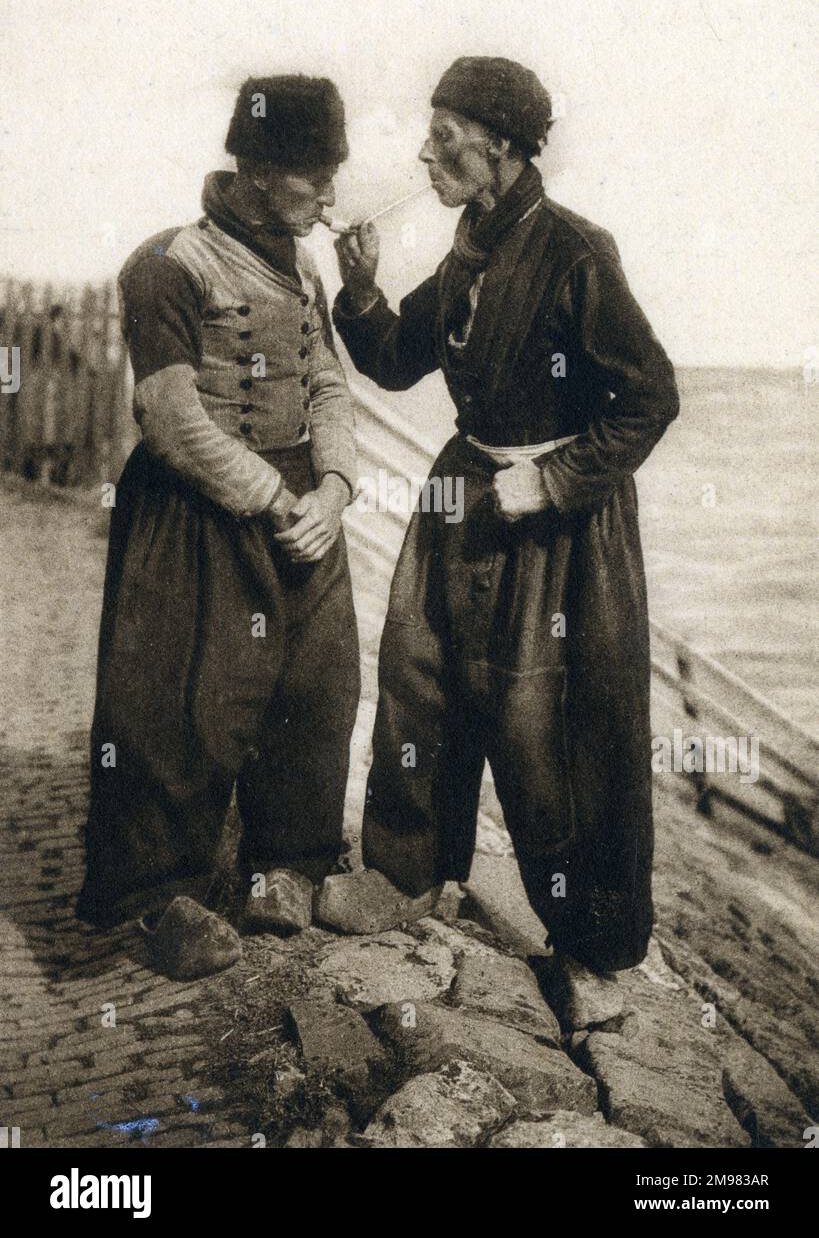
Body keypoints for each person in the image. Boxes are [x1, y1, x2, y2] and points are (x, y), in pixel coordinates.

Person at [332, 56, 679, 974]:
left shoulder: (575, 252)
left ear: (501, 149)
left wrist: (555, 480)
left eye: (444, 141)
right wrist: (361, 291)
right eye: (430, 136)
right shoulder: (471, 246)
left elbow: (649, 399)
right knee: (416, 673)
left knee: (548, 725)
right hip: (462, 496)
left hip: (555, 528)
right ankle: (404, 877)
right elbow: (399, 358)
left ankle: (592, 940)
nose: (424, 155)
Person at [76, 75, 360, 979]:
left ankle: (287, 865)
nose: (327, 196)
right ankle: (158, 896)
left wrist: (336, 488)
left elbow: (327, 385)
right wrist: (274, 499)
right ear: (259, 171)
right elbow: (170, 417)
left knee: (314, 687)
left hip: (301, 505)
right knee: (180, 700)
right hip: (195, 510)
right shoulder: (166, 264)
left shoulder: (303, 263)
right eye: (314, 177)